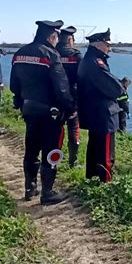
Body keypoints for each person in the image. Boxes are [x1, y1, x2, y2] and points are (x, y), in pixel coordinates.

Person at [10, 20, 76, 205]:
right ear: (52, 36)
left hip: (29, 109)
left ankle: (30, 187)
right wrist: (71, 108)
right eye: (56, 37)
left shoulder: (19, 53)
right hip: (51, 113)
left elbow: (14, 84)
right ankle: (48, 192)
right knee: (51, 150)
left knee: (31, 148)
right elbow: (61, 88)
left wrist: (21, 100)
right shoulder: (51, 55)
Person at [77, 28, 125, 183]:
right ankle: (106, 182)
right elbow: (114, 88)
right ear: (98, 45)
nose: (109, 48)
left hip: (95, 113)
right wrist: (121, 86)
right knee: (105, 152)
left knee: (95, 148)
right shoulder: (95, 63)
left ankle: (92, 179)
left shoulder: (90, 60)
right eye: (107, 44)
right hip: (103, 114)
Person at [56, 26, 82, 168]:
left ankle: (54, 159)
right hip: (72, 100)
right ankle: (73, 161)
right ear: (70, 40)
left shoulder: (52, 53)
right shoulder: (76, 55)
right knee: (73, 130)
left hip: (54, 99)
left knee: (55, 130)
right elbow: (83, 79)